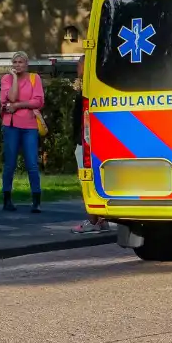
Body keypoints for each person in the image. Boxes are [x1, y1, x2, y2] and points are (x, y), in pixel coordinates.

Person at [0, 51, 45, 213]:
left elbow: (38, 101)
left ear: (26, 64)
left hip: (30, 125)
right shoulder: (6, 79)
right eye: (15, 62)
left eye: (21, 62)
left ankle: (36, 200)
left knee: (32, 163)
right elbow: (10, 99)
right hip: (11, 125)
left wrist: (18, 106)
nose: (18, 65)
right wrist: (14, 80)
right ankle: (7, 199)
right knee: (10, 164)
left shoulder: (35, 78)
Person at [70, 56, 109, 233]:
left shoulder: (88, 88)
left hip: (86, 141)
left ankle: (93, 221)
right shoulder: (94, 86)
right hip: (89, 140)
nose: (78, 68)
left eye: (80, 64)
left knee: (87, 180)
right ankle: (100, 220)